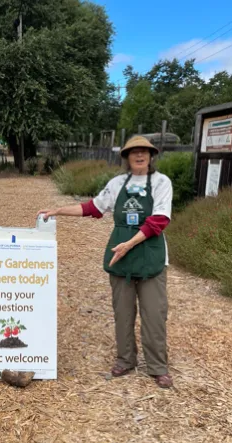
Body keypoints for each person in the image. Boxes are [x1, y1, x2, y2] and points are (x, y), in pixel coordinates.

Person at [38, 136, 173, 388]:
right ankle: (125, 359)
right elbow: (93, 208)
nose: (140, 156)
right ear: (126, 157)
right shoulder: (117, 183)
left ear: (151, 156)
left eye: (144, 152)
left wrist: (129, 244)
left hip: (150, 255)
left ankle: (158, 366)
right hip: (120, 257)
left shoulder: (161, 182)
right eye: (134, 153)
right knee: (122, 313)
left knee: (154, 314)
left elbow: (159, 221)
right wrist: (57, 211)